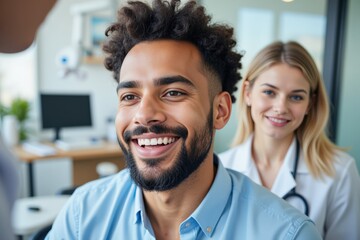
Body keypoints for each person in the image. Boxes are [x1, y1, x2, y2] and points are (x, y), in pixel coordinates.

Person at [47, 1, 321, 239]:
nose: (144, 114)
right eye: (130, 96)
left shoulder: (287, 233)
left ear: (221, 111)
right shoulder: (82, 215)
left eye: (173, 92)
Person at [219, 41, 360, 240]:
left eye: (296, 97)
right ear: (248, 93)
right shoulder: (219, 168)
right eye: (269, 92)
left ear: (310, 104)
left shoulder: (339, 172)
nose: (280, 107)